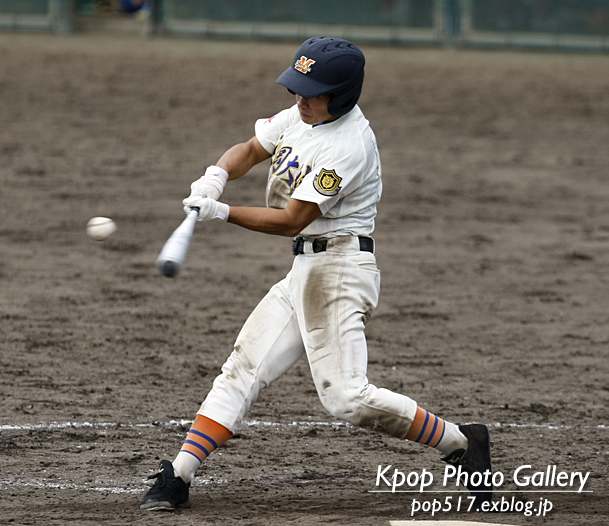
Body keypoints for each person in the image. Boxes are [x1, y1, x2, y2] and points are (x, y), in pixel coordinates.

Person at [140, 36, 492, 512]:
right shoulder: (303, 115)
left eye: (313, 92)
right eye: (299, 89)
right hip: (306, 269)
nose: (300, 99)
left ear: (342, 95)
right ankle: (179, 474)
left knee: (346, 398)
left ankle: (461, 443)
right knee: (242, 368)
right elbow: (248, 149)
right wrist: (215, 175)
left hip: (339, 272)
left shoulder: (347, 145)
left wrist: (221, 211)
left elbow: (292, 219)